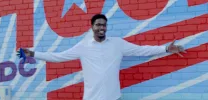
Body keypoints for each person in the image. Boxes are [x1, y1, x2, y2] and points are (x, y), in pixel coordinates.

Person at [21, 14, 185, 100]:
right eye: (98, 24)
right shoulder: (83, 46)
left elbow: (141, 50)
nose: (101, 27)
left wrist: (165, 49)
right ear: (92, 27)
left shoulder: (117, 43)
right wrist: (34, 54)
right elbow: (58, 57)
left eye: (104, 25)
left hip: (114, 97)